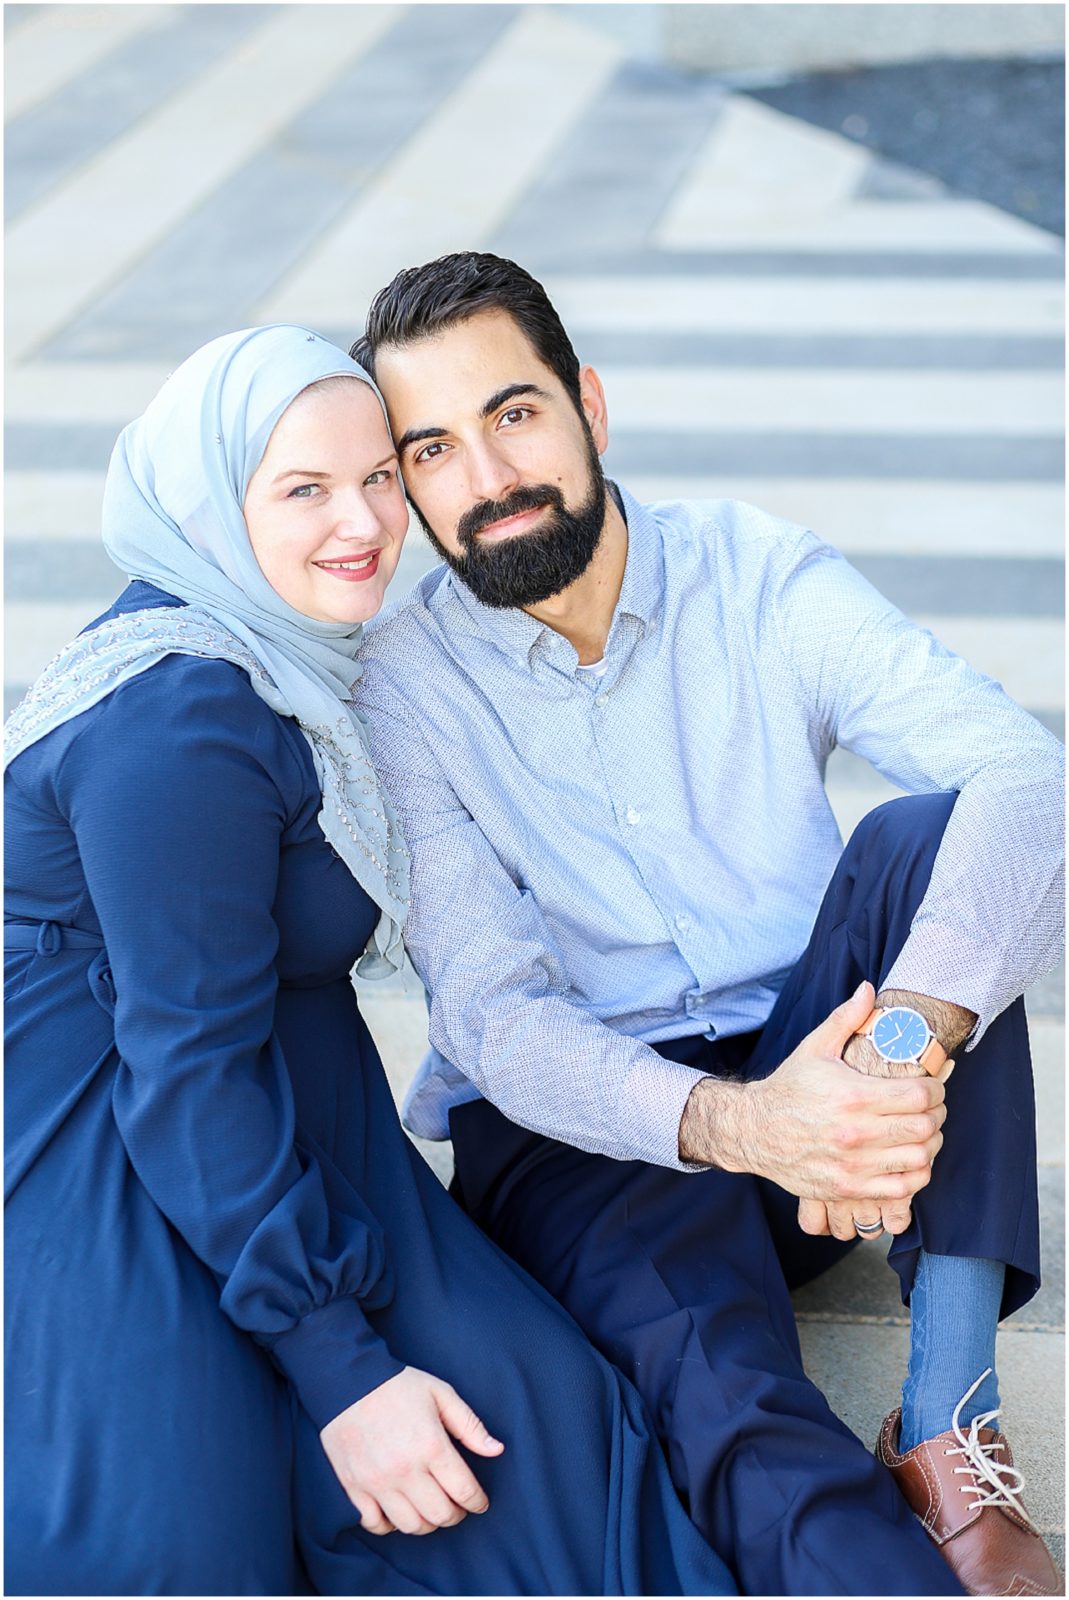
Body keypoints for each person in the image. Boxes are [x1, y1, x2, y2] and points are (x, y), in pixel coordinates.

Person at [351, 252, 1064, 1598]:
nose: (486, 477)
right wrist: (748, 1124)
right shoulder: (403, 686)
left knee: (939, 839)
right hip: (590, 1138)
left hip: (828, 1073)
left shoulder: (751, 569)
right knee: (730, 1417)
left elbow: (1032, 783)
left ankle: (947, 1419)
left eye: (513, 415)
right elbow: (496, 1023)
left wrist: (900, 1054)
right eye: (431, 448)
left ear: (590, 408)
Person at [4, 324, 738, 1598]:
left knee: (543, 1442)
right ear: (209, 501)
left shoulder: (276, 657)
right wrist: (343, 1368)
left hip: (270, 1096)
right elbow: (183, 1067)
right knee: (183, 1551)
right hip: (109, 1132)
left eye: (382, 477)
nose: (364, 522)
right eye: (302, 489)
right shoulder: (180, 720)